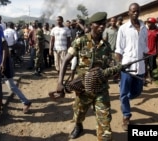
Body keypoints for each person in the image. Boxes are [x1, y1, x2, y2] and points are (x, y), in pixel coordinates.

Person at [56, 12, 113, 140]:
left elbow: (111, 65)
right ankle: (78, 126)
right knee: (79, 112)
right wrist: (60, 82)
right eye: (98, 24)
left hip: (101, 88)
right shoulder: (80, 41)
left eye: (103, 24)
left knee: (105, 121)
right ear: (91, 25)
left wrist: (115, 69)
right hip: (83, 87)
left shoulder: (106, 46)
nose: (102, 27)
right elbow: (65, 60)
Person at [115, 3, 149, 131]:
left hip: (140, 66)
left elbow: (145, 49)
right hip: (127, 67)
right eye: (133, 11)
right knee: (124, 93)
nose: (135, 13)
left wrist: (147, 68)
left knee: (137, 92)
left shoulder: (144, 28)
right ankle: (126, 116)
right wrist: (119, 67)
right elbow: (118, 50)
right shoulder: (123, 28)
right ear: (128, 13)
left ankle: (124, 101)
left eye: (137, 11)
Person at [145, 17, 158, 82]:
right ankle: (144, 77)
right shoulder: (145, 31)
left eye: (150, 23)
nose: (148, 24)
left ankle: (151, 75)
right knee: (144, 65)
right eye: (148, 22)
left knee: (151, 66)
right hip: (145, 51)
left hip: (153, 52)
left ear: (154, 24)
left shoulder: (157, 32)